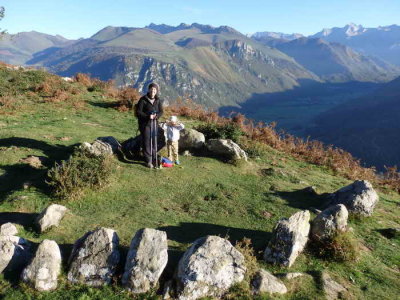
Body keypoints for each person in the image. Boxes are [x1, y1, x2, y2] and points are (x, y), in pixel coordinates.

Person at [136, 83, 163, 168]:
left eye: (154, 90)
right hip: (145, 124)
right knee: (147, 142)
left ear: (156, 91)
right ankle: (148, 160)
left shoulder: (158, 100)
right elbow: (138, 112)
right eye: (151, 89)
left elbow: (161, 111)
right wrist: (148, 116)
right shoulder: (143, 100)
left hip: (154, 124)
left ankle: (154, 159)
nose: (153, 91)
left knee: (154, 141)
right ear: (148, 90)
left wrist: (157, 116)